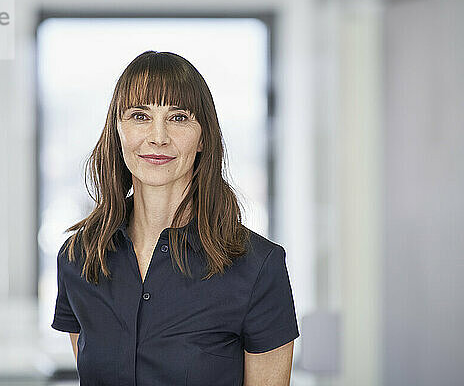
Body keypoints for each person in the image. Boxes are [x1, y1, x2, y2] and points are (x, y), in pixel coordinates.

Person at [52, 50, 299, 386]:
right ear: (118, 131)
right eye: (140, 116)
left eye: (179, 117)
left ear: (202, 139)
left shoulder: (258, 266)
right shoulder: (78, 258)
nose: (158, 136)